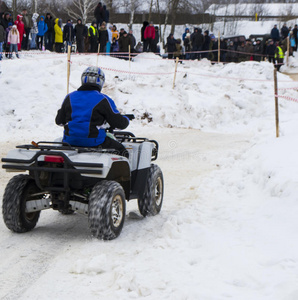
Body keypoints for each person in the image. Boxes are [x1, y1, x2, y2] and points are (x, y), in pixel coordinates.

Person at [55, 66, 130, 157]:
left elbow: (59, 121)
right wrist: (126, 119)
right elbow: (119, 124)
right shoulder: (103, 100)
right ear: (101, 82)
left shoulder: (69, 97)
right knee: (123, 152)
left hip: (69, 142)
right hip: (94, 143)